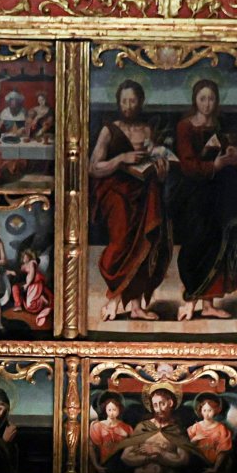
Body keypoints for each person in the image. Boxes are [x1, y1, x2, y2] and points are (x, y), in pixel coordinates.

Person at [89, 79, 171, 322]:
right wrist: (121, 159)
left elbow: (155, 163)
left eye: (132, 101)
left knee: (144, 245)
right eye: (124, 101)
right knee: (122, 243)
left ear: (140, 102)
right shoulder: (109, 130)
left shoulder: (147, 130)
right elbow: (94, 167)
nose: (128, 105)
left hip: (144, 191)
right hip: (116, 193)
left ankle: (135, 307)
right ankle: (113, 299)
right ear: (118, 102)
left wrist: (161, 171)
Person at [172, 78, 237, 322]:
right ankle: (190, 300)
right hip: (193, 195)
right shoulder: (185, 126)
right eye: (202, 98)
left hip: (217, 194)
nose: (207, 104)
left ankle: (208, 304)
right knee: (194, 246)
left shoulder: (220, 126)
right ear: (195, 100)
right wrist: (215, 165)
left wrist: (232, 154)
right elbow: (187, 164)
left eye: (211, 99)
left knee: (215, 247)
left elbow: (230, 157)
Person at [117, 381, 202, 473]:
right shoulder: (143, 427)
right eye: (155, 405)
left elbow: (183, 460)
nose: (158, 409)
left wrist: (159, 452)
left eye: (162, 404)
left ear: (170, 403)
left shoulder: (177, 430)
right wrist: (149, 458)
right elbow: (126, 457)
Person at [186, 393, 234, 473]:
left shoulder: (221, 428)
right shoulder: (195, 427)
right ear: (200, 411)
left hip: (216, 464)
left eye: (210, 410)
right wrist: (195, 439)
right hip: (198, 463)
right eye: (204, 410)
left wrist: (215, 468)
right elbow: (188, 448)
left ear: (216, 410)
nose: (207, 413)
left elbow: (223, 450)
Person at [88, 392, 133, 473]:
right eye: (109, 410)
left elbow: (132, 448)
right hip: (105, 464)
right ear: (105, 410)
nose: (112, 413)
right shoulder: (98, 426)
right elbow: (91, 447)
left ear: (119, 410)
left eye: (114, 409)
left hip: (123, 466)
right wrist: (96, 466)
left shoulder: (127, 427)